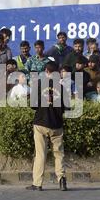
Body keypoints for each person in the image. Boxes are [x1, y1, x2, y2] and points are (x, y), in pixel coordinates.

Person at [27, 61, 69, 192]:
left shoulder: (38, 85)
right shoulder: (61, 88)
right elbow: (66, 107)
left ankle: (37, 183)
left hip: (40, 123)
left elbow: (33, 106)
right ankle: (61, 180)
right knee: (59, 154)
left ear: (46, 71)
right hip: (56, 124)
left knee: (40, 154)